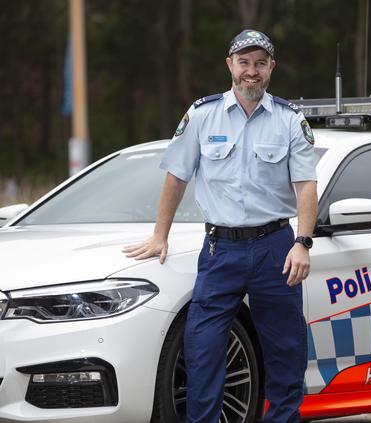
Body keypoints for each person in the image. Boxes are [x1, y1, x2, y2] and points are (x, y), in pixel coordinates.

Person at [122, 29, 317, 423]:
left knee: (285, 350)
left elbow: (306, 185)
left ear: (271, 68)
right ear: (230, 65)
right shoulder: (202, 114)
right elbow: (176, 177)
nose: (252, 71)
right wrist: (160, 235)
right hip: (220, 250)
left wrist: (303, 242)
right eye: (244, 62)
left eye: (260, 63)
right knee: (203, 349)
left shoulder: (290, 120)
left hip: (275, 248)